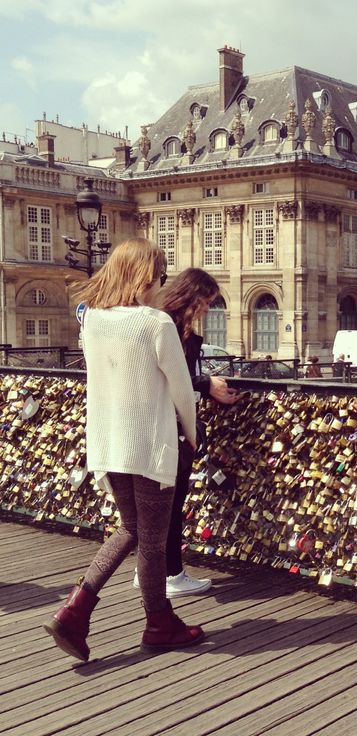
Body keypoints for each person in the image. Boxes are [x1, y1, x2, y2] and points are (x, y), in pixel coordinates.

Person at [43, 238, 204, 662]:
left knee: (133, 529)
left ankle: (77, 609)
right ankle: (156, 623)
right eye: (160, 275)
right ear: (145, 277)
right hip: (148, 445)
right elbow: (182, 390)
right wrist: (192, 433)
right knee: (151, 539)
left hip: (109, 442)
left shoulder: (93, 320)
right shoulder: (156, 324)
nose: (162, 284)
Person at [140, 267, 240, 598]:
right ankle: (170, 574)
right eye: (207, 301)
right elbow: (169, 378)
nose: (209, 309)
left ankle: (151, 571)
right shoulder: (167, 326)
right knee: (170, 501)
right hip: (169, 427)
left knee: (157, 505)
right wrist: (206, 383)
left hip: (160, 424)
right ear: (192, 297)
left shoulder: (165, 323)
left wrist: (205, 385)